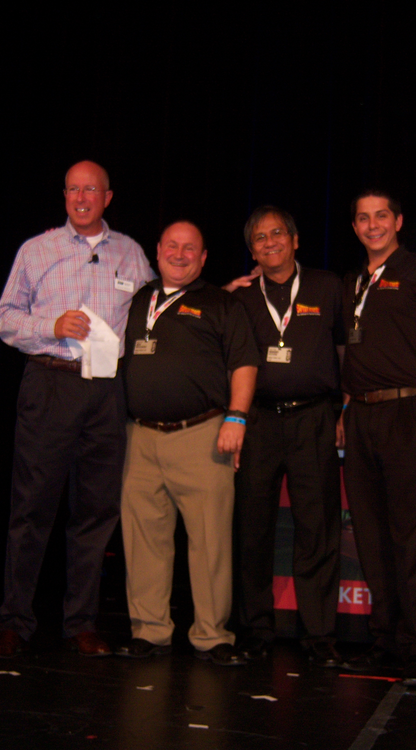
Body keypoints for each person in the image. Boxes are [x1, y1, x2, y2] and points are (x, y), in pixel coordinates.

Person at [0, 161, 155, 658]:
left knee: (96, 513)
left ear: (108, 197)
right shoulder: (37, 250)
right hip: (50, 383)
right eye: (74, 189)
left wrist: (229, 292)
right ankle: (14, 622)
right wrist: (51, 324)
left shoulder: (131, 253)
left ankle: (81, 623)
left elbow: (163, 302)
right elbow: (3, 316)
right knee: (32, 509)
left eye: (92, 190)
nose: (83, 197)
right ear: (65, 196)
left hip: (106, 392)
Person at [337, 189, 416, 684]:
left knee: (412, 535)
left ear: (398, 221)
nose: (373, 225)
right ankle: (385, 637)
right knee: (370, 534)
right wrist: (348, 407)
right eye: (363, 218)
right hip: (363, 418)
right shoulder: (352, 283)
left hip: (409, 413)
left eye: (381, 217)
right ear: (354, 227)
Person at [116, 221, 260, 666]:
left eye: (190, 249)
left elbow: (245, 363)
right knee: (143, 540)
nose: (179, 254)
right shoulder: (138, 299)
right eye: (172, 246)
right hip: (140, 438)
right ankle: (149, 630)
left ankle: (213, 635)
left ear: (203, 258)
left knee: (210, 541)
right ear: (157, 251)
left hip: (202, 435)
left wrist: (236, 417)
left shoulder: (221, 302)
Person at [228, 206, 345, 667]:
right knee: (252, 529)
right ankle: (256, 630)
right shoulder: (240, 298)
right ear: (251, 249)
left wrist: (346, 406)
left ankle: (319, 636)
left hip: (313, 419)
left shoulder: (327, 286)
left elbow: (345, 350)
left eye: (278, 233)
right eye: (260, 237)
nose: (270, 242)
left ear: (295, 240)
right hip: (257, 423)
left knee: (317, 529)